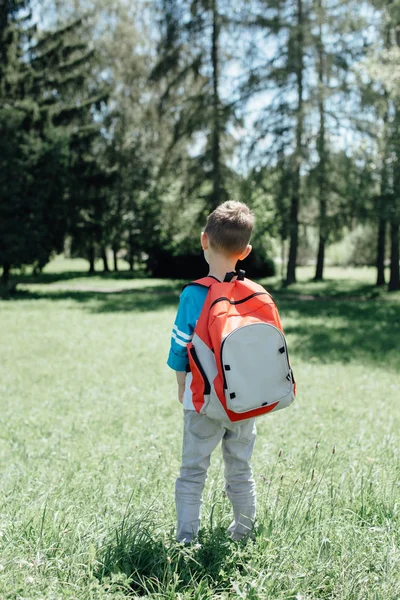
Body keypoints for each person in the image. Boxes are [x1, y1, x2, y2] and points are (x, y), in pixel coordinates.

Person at [167, 200, 257, 543]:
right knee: (240, 469)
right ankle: (244, 534)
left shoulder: (194, 294)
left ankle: (187, 538)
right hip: (245, 400)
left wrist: (181, 384)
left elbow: (179, 348)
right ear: (245, 252)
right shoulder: (251, 293)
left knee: (192, 472)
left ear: (205, 240)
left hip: (203, 399)